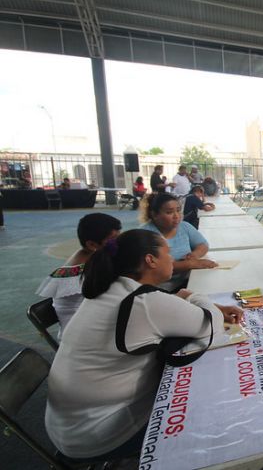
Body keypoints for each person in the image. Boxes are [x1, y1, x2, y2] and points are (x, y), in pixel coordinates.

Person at [45, 229, 243, 460]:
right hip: (101, 433)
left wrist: (186, 301)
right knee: (215, 406)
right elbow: (212, 324)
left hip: (70, 426)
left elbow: (160, 309)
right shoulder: (144, 303)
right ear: (150, 260)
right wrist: (192, 295)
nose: (172, 258)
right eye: (167, 253)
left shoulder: (112, 289)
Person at [36, 213, 122, 337]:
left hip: (92, 329)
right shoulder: (81, 274)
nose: (118, 244)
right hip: (85, 338)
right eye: (113, 239)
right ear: (92, 244)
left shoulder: (90, 256)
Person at [140, 192, 217, 290]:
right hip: (160, 289)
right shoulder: (145, 235)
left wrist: (195, 255)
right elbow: (157, 268)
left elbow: (202, 244)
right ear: (154, 214)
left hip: (187, 281)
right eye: (169, 212)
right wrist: (190, 264)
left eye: (178, 210)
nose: (176, 216)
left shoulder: (184, 227)